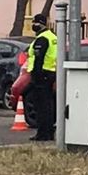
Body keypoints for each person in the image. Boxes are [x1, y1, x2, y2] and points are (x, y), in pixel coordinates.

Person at [27, 13, 58, 142]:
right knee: (49, 106)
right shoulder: (53, 37)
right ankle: (49, 132)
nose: (33, 25)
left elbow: (38, 59)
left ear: (39, 24)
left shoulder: (42, 39)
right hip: (51, 74)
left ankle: (42, 134)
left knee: (41, 107)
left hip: (42, 76)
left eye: (34, 23)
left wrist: (35, 76)